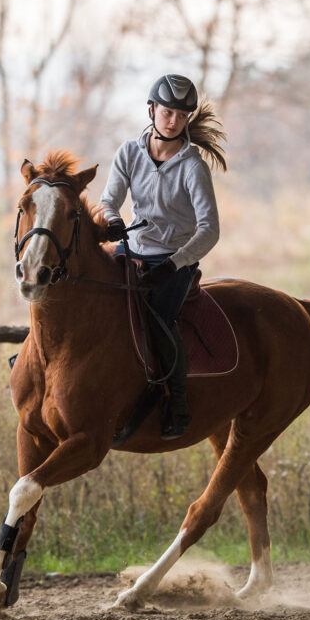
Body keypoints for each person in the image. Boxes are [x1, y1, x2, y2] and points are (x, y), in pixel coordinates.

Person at [98, 73, 226, 440]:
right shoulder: (128, 152)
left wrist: (173, 265)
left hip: (175, 260)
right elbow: (108, 200)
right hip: (133, 248)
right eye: (168, 112)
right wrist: (113, 220)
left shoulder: (193, 167)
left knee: (158, 322)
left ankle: (177, 403)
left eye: (181, 116)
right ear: (151, 109)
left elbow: (210, 230)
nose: (173, 121)